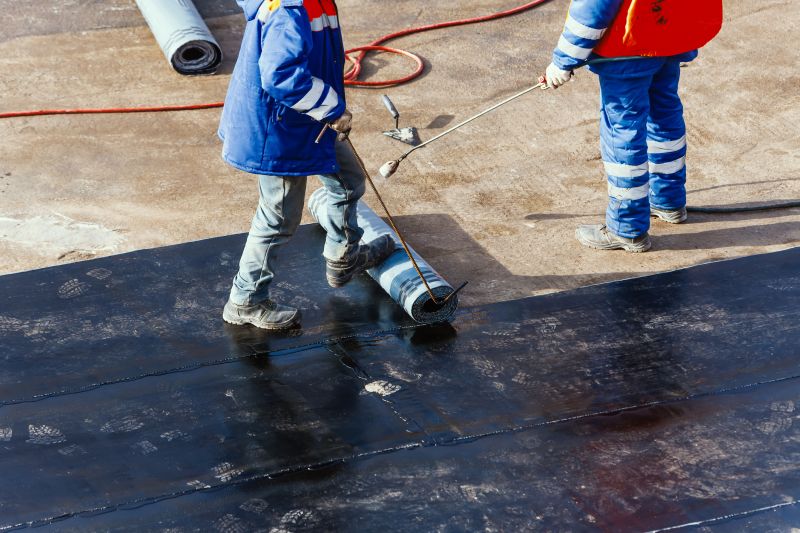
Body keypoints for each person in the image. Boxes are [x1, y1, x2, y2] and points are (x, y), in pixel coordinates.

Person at [218, 0, 395, 330]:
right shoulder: (289, 11)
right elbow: (280, 75)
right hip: (280, 131)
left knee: (348, 181)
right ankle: (245, 300)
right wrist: (331, 109)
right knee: (278, 217)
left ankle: (343, 259)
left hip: (305, 119)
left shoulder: (311, 2)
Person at [543, 0, 723, 252]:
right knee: (664, 118)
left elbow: (593, 8)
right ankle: (668, 200)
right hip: (669, 38)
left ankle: (626, 228)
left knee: (623, 135)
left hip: (627, 52)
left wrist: (563, 61)